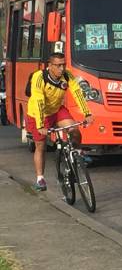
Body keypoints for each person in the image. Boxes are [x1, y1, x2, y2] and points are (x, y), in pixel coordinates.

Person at [26, 52, 94, 191]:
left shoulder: (67, 76)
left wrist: (87, 113)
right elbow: (39, 101)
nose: (61, 69)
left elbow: (77, 93)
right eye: (58, 66)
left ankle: (76, 152)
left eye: (63, 65)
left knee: (74, 130)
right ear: (50, 66)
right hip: (38, 114)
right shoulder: (39, 77)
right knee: (41, 147)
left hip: (56, 110)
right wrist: (40, 125)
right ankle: (40, 179)